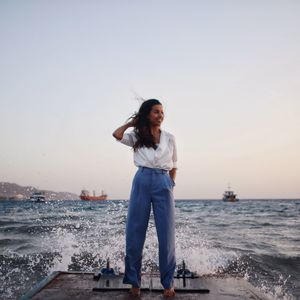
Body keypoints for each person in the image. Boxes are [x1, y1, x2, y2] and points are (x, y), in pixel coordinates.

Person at [112, 99, 177, 297]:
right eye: (156, 112)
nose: (160, 115)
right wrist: (133, 123)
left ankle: (168, 284)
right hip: (142, 180)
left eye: (162, 112)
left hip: (163, 182)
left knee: (166, 236)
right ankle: (134, 282)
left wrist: (170, 184)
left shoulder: (170, 137)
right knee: (134, 232)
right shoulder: (137, 135)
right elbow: (117, 134)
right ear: (147, 114)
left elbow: (174, 164)